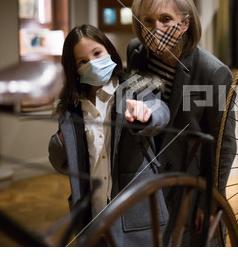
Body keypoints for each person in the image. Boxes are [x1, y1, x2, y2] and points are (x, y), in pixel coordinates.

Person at [127, 0, 236, 246]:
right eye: (148, 21)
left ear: (185, 23)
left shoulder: (212, 72)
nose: (156, 28)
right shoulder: (136, 53)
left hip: (188, 188)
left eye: (166, 19)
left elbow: (224, 145)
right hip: (144, 184)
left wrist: (209, 200)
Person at [48, 24, 170, 246]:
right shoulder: (71, 109)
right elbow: (61, 163)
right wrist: (61, 141)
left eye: (97, 53)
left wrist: (146, 113)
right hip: (92, 219)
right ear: (74, 69)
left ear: (109, 51)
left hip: (136, 218)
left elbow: (161, 112)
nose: (93, 63)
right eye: (82, 61)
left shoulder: (135, 89)